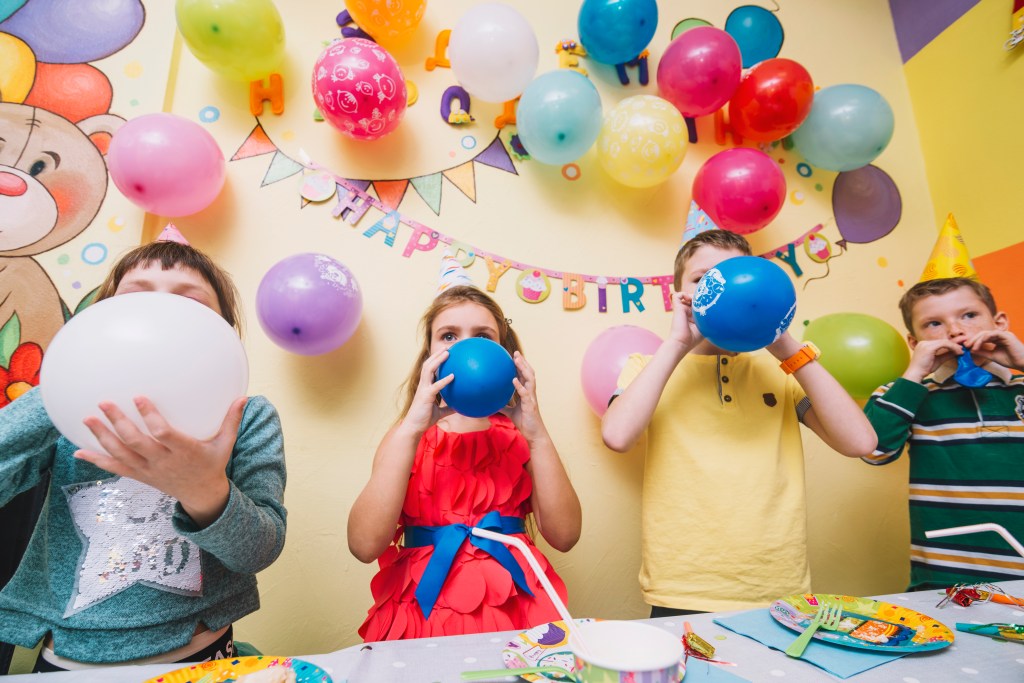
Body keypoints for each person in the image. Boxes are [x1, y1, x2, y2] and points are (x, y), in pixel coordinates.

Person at [0, 236, 287, 671]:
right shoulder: (63, 409)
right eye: (136, 298)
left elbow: (259, 550)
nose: (161, 314)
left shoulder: (246, 416)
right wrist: (63, 385)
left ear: (224, 335)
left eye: (190, 304)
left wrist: (205, 489)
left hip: (199, 654)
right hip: (65, 658)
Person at [601, 228, 876, 615]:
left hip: (775, 585)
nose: (723, 287)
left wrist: (783, 343)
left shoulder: (782, 370)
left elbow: (860, 442)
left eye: (734, 275)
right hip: (682, 587)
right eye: (702, 279)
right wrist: (677, 344)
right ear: (678, 294)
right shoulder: (649, 367)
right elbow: (617, 435)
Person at [348, 255, 581, 641]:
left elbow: (565, 535)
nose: (465, 347)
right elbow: (363, 544)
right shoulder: (406, 435)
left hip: (516, 606)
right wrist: (411, 430)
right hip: (424, 614)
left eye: (483, 336)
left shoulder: (522, 436)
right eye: (449, 335)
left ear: (504, 351)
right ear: (430, 354)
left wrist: (536, 433)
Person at [863, 276, 1024, 590]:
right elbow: (873, 450)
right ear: (914, 342)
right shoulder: (906, 392)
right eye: (934, 323)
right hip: (944, 576)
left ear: (1000, 322)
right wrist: (913, 374)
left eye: (969, 316)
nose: (954, 331)